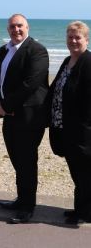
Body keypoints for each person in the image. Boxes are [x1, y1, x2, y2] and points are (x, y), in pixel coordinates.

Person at [0, 14, 49, 224]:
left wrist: (5, 105)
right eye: (12, 27)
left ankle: (27, 207)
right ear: (8, 29)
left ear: (27, 27)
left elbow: (31, 84)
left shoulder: (37, 50)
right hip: (8, 116)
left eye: (20, 26)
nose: (16, 30)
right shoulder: (3, 51)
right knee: (17, 160)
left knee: (27, 162)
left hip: (29, 117)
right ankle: (21, 198)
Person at [47, 21, 91, 225]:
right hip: (64, 128)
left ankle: (84, 213)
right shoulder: (67, 61)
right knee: (76, 172)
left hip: (82, 132)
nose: (73, 41)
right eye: (70, 37)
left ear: (86, 40)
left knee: (85, 173)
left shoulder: (88, 62)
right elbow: (56, 90)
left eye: (78, 37)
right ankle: (80, 208)